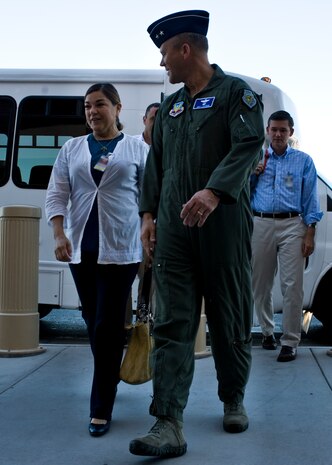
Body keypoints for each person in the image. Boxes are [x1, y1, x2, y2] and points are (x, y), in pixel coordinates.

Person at [129, 9, 265, 458]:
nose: (162, 63)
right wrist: (148, 215)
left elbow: (248, 145)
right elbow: (157, 164)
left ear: (186, 49)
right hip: (173, 231)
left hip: (222, 227)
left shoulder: (235, 95)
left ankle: (233, 397)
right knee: (171, 324)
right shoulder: (170, 106)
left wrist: (214, 191)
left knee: (229, 319)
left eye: (165, 53)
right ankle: (168, 422)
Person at [45, 82, 148, 437]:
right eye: (87, 106)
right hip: (81, 250)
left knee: (105, 324)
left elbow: (151, 197)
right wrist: (59, 234)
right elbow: (56, 194)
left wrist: (152, 236)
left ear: (118, 108)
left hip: (121, 251)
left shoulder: (136, 148)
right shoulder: (72, 149)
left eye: (100, 105)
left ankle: (100, 406)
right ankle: (108, 377)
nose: (92, 112)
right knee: (94, 321)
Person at [251, 110, 323, 362]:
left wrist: (310, 232)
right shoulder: (257, 158)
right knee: (260, 284)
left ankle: (290, 340)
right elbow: (239, 192)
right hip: (260, 222)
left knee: (293, 285)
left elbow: (310, 198)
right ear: (267, 131)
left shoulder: (303, 161)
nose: (279, 134)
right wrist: (253, 173)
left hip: (293, 223)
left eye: (283, 130)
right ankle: (268, 332)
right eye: (274, 129)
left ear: (291, 132)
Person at [125, 102, 160, 325]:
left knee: (150, 279)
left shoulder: (169, 148)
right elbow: (103, 170)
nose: (157, 123)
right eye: (153, 118)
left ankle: (145, 326)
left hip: (155, 225)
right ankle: (124, 327)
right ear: (144, 120)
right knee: (124, 278)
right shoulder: (127, 145)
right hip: (128, 225)